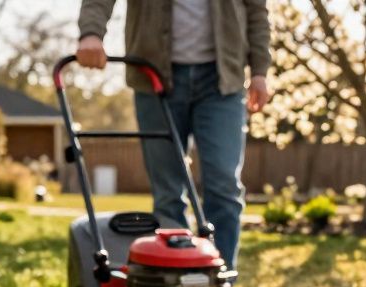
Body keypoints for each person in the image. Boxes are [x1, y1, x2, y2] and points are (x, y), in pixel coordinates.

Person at [77, 0, 270, 273]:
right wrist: (91, 33)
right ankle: (178, 282)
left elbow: (256, 10)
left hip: (222, 79)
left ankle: (219, 284)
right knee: (168, 193)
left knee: (224, 187)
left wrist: (260, 71)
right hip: (154, 75)